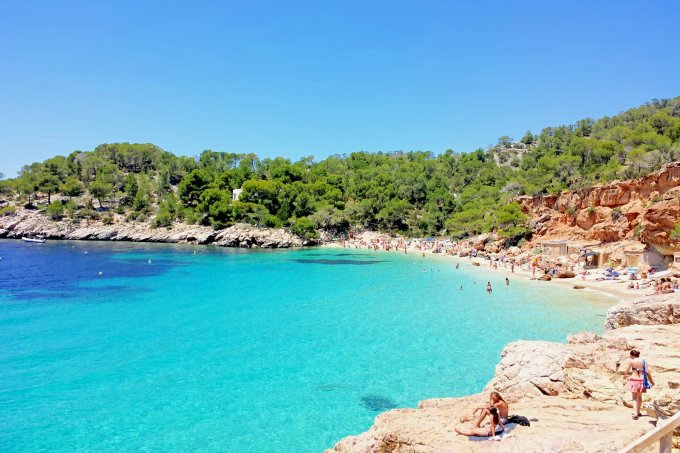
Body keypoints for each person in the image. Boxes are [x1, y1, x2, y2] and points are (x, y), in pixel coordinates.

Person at [624, 349, 655, 420]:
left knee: (634, 398)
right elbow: (647, 372)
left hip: (634, 380)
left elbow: (627, 371)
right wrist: (651, 381)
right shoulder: (643, 360)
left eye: (630, 356)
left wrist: (624, 376)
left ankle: (635, 413)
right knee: (639, 397)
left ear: (632, 355)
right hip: (641, 380)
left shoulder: (631, 361)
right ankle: (638, 412)